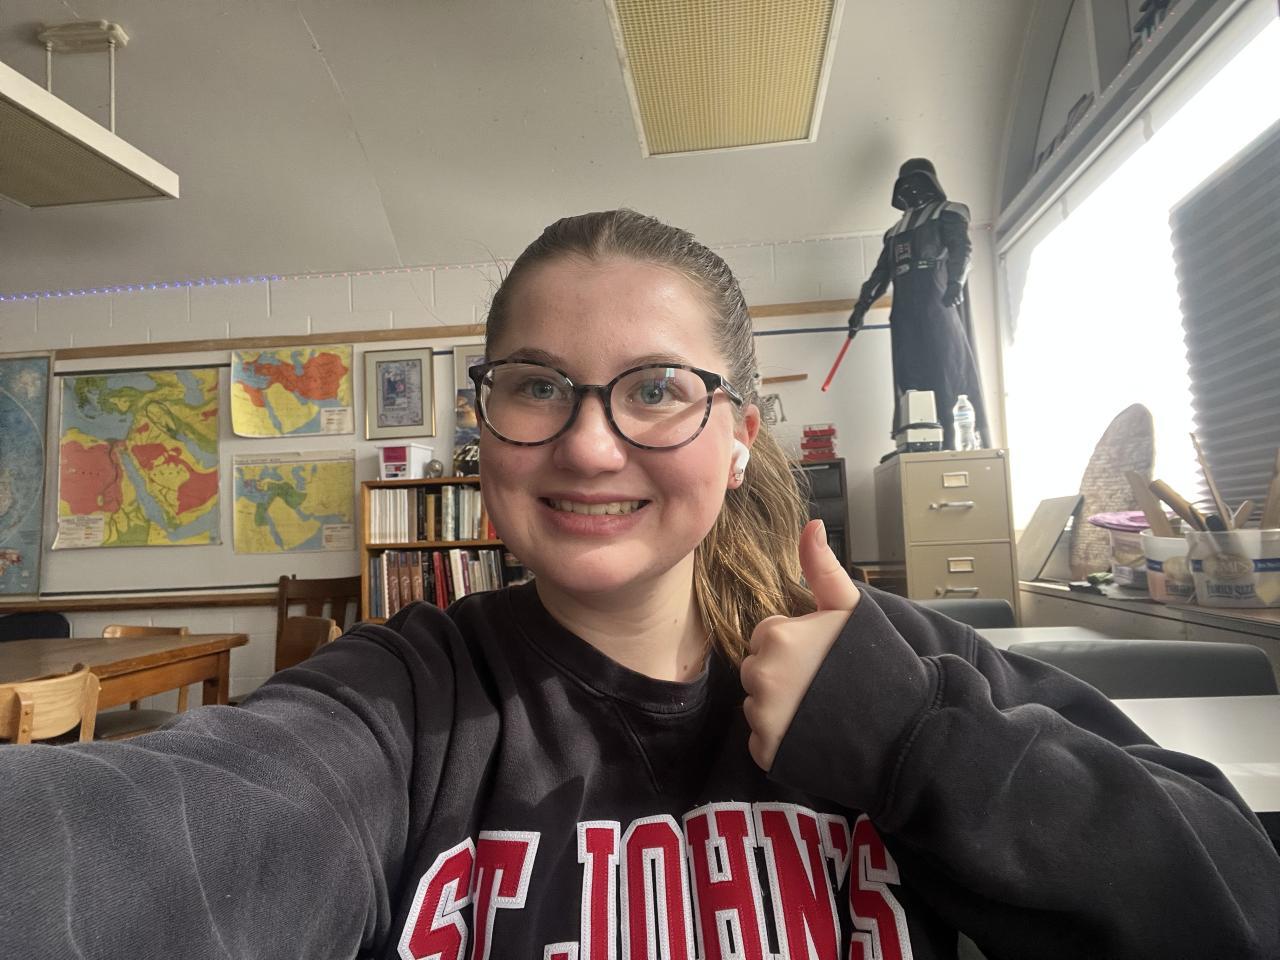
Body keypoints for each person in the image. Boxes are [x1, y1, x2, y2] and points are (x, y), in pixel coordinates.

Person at [1, 210, 1277, 960]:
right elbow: (154, 838)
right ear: (486, 426)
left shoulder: (890, 664)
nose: (588, 444)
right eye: (536, 385)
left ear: (739, 436)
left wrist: (914, 744)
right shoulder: (405, 699)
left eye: (655, 388)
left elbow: (1234, 902)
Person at [849, 159, 990, 451]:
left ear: (929, 182)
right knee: (908, 372)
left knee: (944, 365)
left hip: (935, 296)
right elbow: (880, 275)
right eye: (906, 185)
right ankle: (913, 439)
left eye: (917, 182)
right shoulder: (895, 231)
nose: (912, 190)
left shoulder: (949, 212)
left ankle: (952, 440)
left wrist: (956, 281)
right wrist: (861, 308)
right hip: (904, 304)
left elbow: (961, 249)